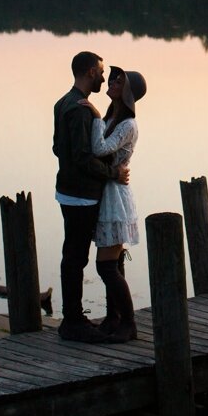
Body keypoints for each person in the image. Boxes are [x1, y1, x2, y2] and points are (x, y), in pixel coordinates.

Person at [51, 51, 129, 342]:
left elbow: (59, 149)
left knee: (73, 254)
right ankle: (73, 321)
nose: (103, 76)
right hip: (82, 196)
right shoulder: (82, 110)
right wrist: (113, 174)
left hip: (67, 192)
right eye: (99, 71)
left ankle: (87, 317)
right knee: (76, 257)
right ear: (88, 73)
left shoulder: (62, 103)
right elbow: (84, 158)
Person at [83, 66, 147, 343]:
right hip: (107, 192)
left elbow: (99, 149)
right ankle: (113, 318)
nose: (112, 81)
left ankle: (129, 323)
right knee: (115, 262)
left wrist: (94, 116)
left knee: (106, 266)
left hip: (115, 198)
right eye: (113, 77)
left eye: (119, 80)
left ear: (129, 91)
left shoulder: (127, 124)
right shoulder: (113, 118)